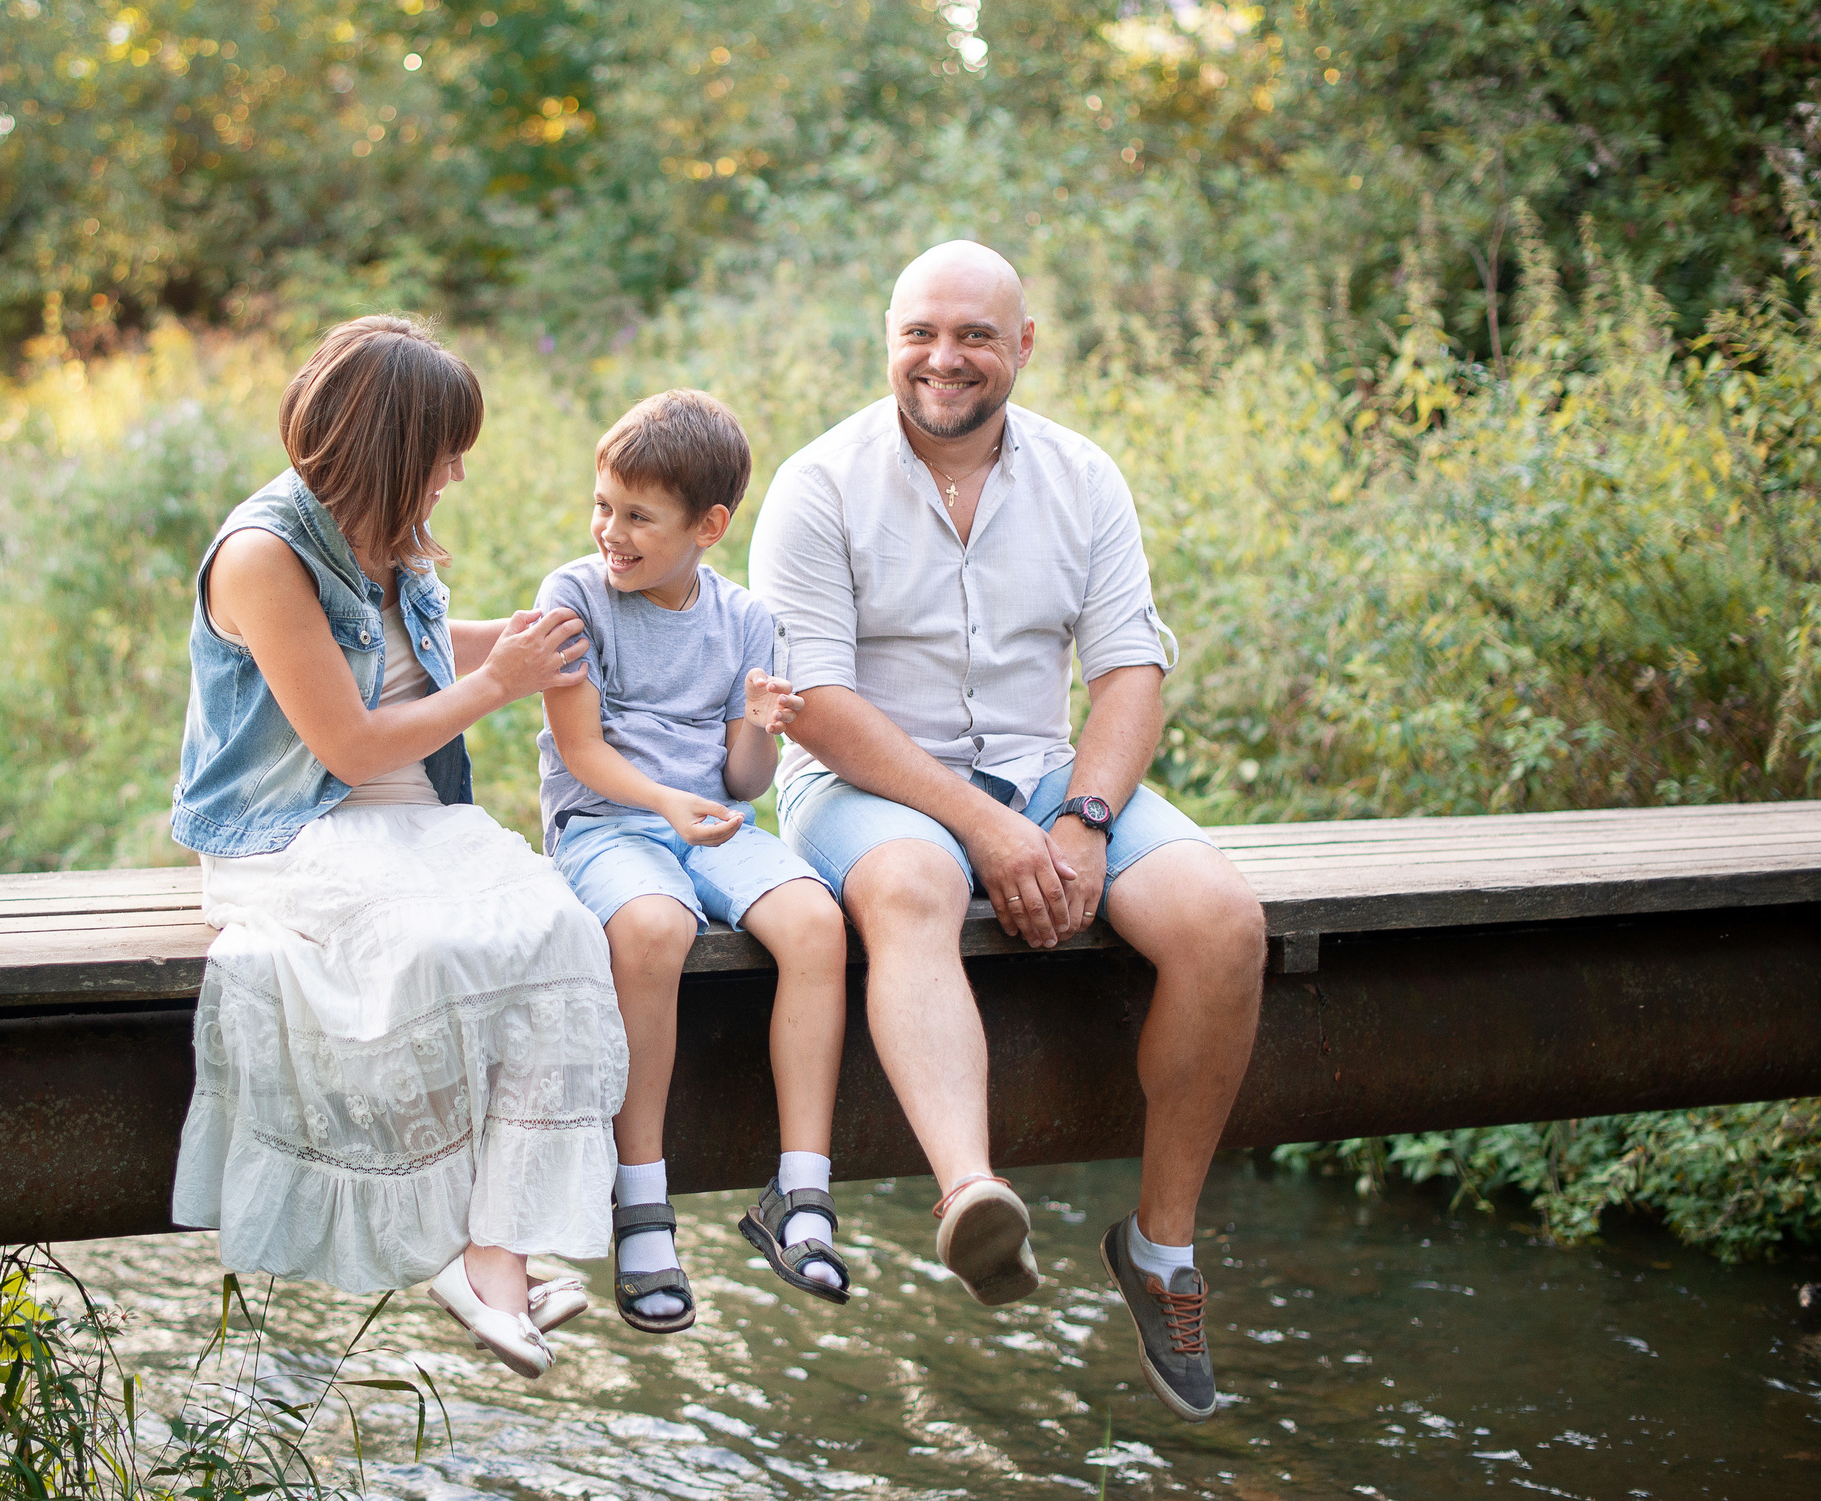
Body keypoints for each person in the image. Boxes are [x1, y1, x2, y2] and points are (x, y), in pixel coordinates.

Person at [748, 241, 1268, 1422]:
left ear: (1022, 344)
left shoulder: (1083, 476)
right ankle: (971, 1193)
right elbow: (817, 702)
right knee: (914, 883)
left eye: (975, 334)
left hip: (1044, 775)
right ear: (886, 338)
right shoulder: (818, 483)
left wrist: (1080, 819)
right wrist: (986, 827)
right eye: (921, 332)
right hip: (862, 778)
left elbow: (1130, 666)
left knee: (1224, 921)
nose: (945, 358)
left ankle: (1161, 1250)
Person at [168, 315, 628, 1381]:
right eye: (444, 448)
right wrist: (497, 685)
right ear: (389, 444)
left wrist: (532, 640)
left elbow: (411, 656)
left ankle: (495, 1247)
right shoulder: (263, 554)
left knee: (558, 930)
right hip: (294, 826)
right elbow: (347, 736)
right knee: (426, 950)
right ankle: (458, 1251)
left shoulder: (388, 532)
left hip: (416, 814)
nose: (457, 471)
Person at [532, 390, 853, 1335]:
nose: (609, 532)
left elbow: (744, 777)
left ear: (709, 526)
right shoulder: (574, 596)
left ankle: (799, 1192)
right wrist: (671, 803)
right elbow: (582, 752)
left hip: (710, 821)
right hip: (605, 825)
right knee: (654, 925)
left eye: (638, 516)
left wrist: (759, 728)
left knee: (815, 919)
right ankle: (640, 1197)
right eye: (602, 505)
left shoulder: (747, 619)